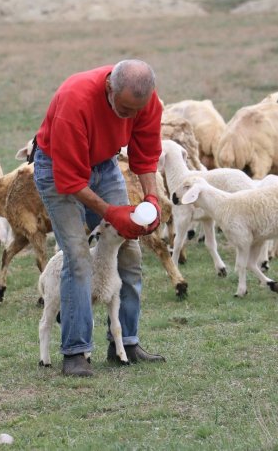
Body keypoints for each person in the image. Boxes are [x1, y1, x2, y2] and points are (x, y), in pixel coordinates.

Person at [32, 59, 166, 377]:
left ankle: (126, 343)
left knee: (129, 247)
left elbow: (146, 154)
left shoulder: (145, 101)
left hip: (104, 164)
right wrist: (111, 213)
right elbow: (70, 180)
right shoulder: (74, 101)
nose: (131, 117)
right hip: (57, 168)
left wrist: (151, 199)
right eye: (124, 110)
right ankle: (75, 353)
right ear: (109, 88)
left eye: (137, 111)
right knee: (77, 256)